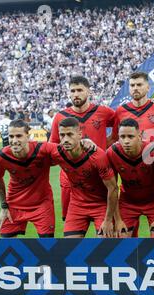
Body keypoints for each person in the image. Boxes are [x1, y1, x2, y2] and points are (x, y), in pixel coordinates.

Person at [50, 76, 115, 222]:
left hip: (99, 175)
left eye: (79, 90)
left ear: (89, 92)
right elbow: (53, 146)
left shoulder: (103, 112)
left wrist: (105, 145)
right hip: (70, 177)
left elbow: (120, 125)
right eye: (72, 91)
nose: (75, 94)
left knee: (106, 222)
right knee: (71, 222)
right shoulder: (61, 117)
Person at [48, 117, 121, 238]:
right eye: (62, 135)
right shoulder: (57, 153)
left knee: (106, 247)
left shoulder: (97, 156)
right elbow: (34, 150)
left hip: (100, 204)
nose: (65, 139)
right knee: (69, 249)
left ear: (79, 134)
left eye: (70, 134)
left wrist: (108, 220)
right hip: (77, 204)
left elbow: (113, 188)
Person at [107, 118, 154, 238]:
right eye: (122, 137)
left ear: (140, 135)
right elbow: (112, 188)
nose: (126, 141)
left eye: (130, 137)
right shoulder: (112, 153)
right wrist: (118, 220)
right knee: (121, 238)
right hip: (128, 201)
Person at [0, 120, 55, 238]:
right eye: (11, 136)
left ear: (28, 136)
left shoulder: (43, 149)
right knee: (5, 247)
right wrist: (4, 206)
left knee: (48, 248)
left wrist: (84, 142)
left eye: (19, 136)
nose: (14, 141)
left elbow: (66, 150)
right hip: (14, 204)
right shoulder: (0, 157)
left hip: (42, 204)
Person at [111, 71, 154, 144]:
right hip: (132, 155)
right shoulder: (120, 111)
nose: (135, 88)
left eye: (139, 85)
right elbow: (114, 138)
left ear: (148, 88)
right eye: (132, 85)